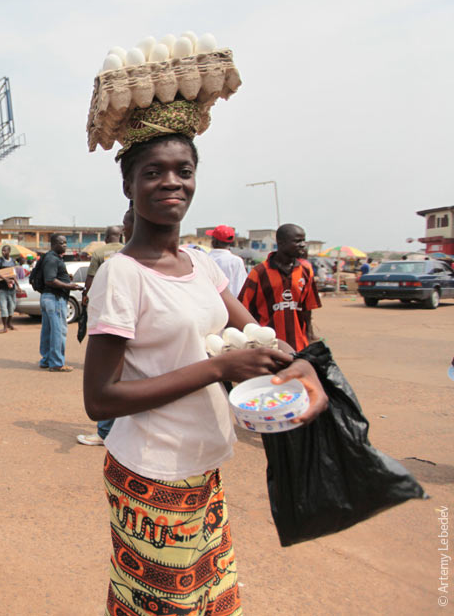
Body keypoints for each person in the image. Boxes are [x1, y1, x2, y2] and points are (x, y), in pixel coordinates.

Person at [83, 99, 327, 615]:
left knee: (210, 601)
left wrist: (301, 365)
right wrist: (218, 368)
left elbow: (256, 335)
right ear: (129, 185)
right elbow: (100, 400)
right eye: (154, 172)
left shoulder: (199, 265)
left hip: (205, 463)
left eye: (183, 171)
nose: (171, 182)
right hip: (153, 473)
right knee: (163, 606)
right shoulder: (122, 275)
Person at [76, 212, 132, 446]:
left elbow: (89, 281)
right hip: (130, 311)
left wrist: (87, 299)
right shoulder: (131, 251)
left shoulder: (99, 254)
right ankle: (121, 430)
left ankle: (105, 432)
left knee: (107, 373)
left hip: (107, 313)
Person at [238, 223, 322, 352]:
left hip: (298, 344)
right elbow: (243, 308)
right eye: (297, 241)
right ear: (281, 243)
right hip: (268, 346)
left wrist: (309, 335)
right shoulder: (260, 272)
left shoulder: (306, 270)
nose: (303, 245)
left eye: (303, 240)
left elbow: (307, 308)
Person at [39, 234, 83, 372]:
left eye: (65, 243)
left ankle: (46, 360)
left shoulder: (49, 257)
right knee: (58, 332)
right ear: (54, 244)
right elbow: (50, 280)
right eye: (62, 243)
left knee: (48, 331)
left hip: (48, 298)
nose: (65, 245)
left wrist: (65, 278)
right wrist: (70, 286)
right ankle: (57, 363)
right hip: (55, 298)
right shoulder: (52, 259)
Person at [207, 224, 247, 297]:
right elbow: (240, 289)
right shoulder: (236, 261)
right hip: (230, 306)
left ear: (213, 241)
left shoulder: (204, 258)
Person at [0, 245, 19, 333]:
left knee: (12, 307)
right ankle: (4, 327)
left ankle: (9, 323)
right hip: (2, 288)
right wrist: (5, 279)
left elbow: (13, 274)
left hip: (12, 288)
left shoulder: (13, 261)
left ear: (9, 251)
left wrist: (18, 285)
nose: (3, 252)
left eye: (5, 251)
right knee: (4, 308)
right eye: (2, 251)